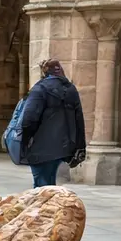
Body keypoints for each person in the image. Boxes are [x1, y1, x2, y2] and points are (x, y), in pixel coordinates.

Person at [20, 58, 86, 188]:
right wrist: (80, 146)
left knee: (41, 186)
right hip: (64, 146)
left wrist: (25, 140)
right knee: (49, 182)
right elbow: (79, 119)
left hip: (41, 145)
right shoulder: (71, 89)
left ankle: (46, 201)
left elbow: (29, 118)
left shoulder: (40, 88)